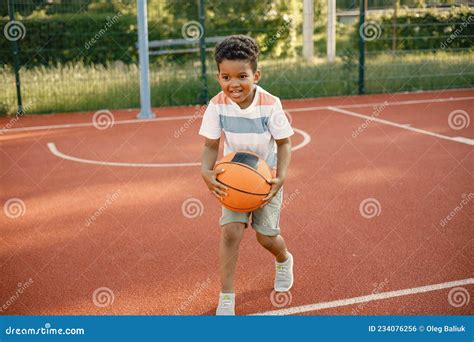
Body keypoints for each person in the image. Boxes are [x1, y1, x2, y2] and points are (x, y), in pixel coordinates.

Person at [199, 35, 294, 315]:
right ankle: (226, 295)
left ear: (256, 75)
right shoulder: (217, 105)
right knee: (230, 232)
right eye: (226, 77)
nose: (234, 84)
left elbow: (284, 142)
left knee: (265, 236)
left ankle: (283, 258)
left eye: (242, 75)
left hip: (267, 180)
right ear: (218, 77)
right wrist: (205, 170)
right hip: (233, 180)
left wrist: (282, 177)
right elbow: (210, 145)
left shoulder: (270, 103)